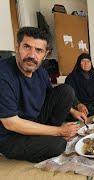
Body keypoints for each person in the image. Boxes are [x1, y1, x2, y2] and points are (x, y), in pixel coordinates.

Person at [0, 27, 87, 163]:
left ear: (45, 54)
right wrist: (59, 131)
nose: (32, 55)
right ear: (17, 48)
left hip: (34, 120)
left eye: (39, 50)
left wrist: (73, 111)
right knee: (58, 145)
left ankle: (49, 133)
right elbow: (11, 123)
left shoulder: (40, 71)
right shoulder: (3, 75)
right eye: (27, 47)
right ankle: (52, 135)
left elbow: (51, 95)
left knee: (66, 91)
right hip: (11, 135)